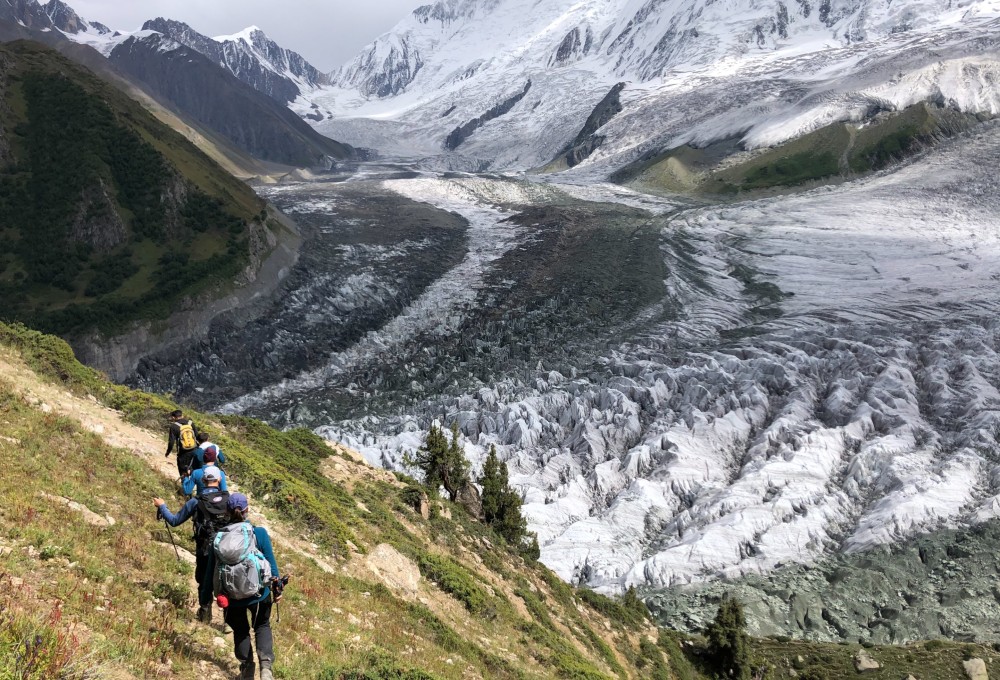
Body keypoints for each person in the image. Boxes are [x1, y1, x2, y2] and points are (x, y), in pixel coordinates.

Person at [217, 493, 280, 680]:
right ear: (247, 510)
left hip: (232, 596)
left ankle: (247, 668)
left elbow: (212, 572)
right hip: (259, 593)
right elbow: (271, 564)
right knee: (261, 625)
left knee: (241, 630)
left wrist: (208, 595)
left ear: (227, 512)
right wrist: (277, 589)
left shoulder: (220, 538)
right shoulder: (258, 533)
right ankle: (266, 668)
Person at [153, 476, 229, 623]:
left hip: (204, 548)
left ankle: (205, 615)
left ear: (203, 480)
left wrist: (162, 506)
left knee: (204, 581)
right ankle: (228, 622)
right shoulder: (229, 500)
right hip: (226, 548)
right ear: (219, 480)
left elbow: (175, 521)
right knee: (225, 582)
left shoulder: (196, 501)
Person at [165, 410, 201, 478]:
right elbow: (197, 436)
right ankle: (195, 483)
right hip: (194, 449)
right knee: (194, 468)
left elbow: (171, 442)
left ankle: (185, 486)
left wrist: (168, 452)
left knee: (183, 471)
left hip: (183, 452)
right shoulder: (190, 423)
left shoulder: (173, 426)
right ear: (182, 415)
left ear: (173, 417)